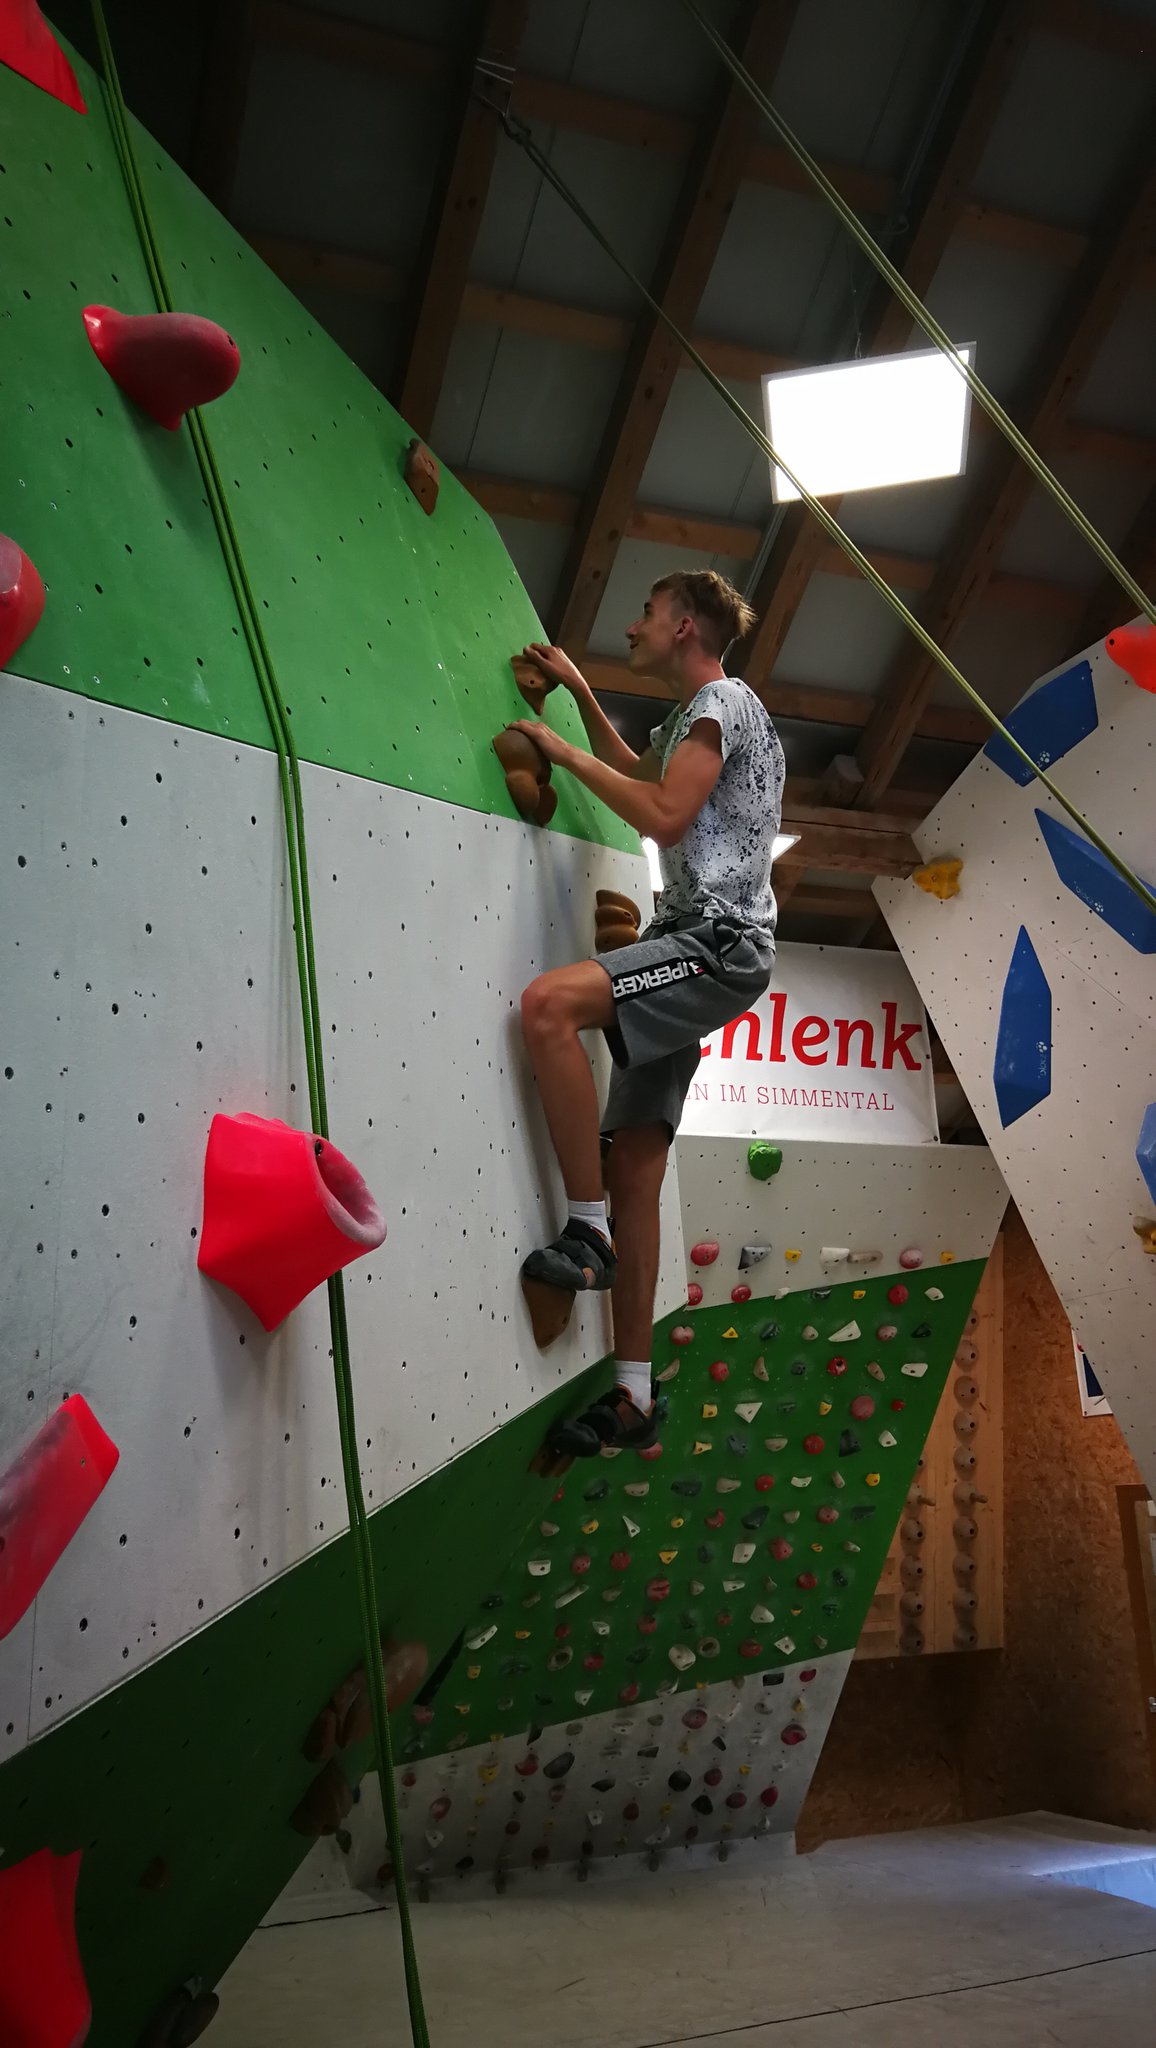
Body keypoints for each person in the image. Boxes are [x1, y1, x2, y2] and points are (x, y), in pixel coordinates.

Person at [509, 569, 785, 1459]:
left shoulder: (727, 703)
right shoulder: (690, 720)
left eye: (645, 612)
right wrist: (583, 695)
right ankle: (632, 1395)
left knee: (548, 1007)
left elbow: (663, 817)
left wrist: (559, 754)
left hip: (713, 941)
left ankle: (584, 1232)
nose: (633, 624)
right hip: (706, 945)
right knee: (637, 1164)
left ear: (686, 626)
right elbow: (641, 772)